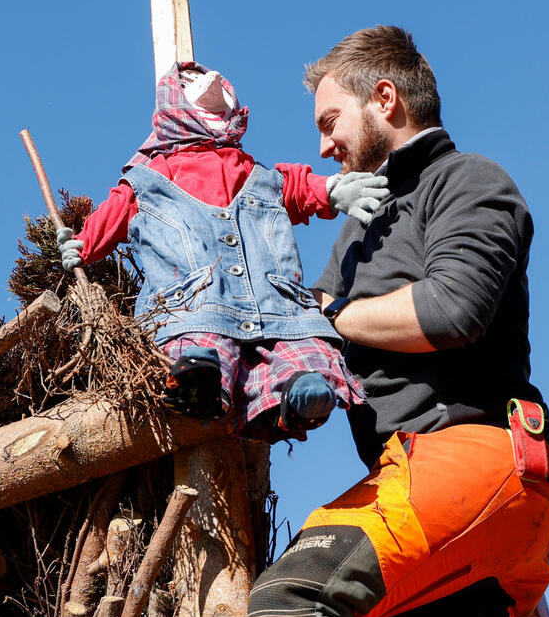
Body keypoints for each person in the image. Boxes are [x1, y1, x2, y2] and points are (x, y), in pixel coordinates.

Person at [246, 26, 549, 617]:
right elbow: (310, 330)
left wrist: (332, 313)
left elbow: (452, 309)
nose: (322, 143)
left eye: (330, 119)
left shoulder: (468, 181)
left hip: (475, 455)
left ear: (385, 98)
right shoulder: (358, 238)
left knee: (292, 606)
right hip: (409, 481)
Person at [56, 62, 386, 442]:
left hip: (276, 309)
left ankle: (294, 401)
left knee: (297, 354)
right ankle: (199, 386)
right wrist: (83, 243)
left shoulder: (253, 171)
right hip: (194, 309)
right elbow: (112, 216)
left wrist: (331, 190)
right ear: (175, 110)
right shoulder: (148, 179)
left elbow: (293, 187)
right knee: (203, 353)